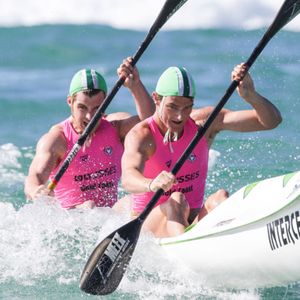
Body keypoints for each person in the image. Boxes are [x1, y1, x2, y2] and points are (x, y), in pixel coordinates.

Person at [121, 63, 282, 237]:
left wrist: (251, 96)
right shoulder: (142, 135)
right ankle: (188, 252)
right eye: (172, 106)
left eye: (186, 107)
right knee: (176, 199)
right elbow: (128, 178)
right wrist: (151, 184)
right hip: (148, 224)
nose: (180, 116)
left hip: (192, 220)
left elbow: (271, 122)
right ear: (156, 99)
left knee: (220, 198)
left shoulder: (203, 125)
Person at [24, 57, 154, 209]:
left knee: (135, 200)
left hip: (109, 216)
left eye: (96, 109)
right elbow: (35, 176)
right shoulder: (58, 139)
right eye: (82, 107)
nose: (89, 117)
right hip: (72, 218)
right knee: (89, 206)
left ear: (105, 103)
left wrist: (135, 86)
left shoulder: (116, 128)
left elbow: (151, 122)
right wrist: (36, 191)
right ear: (70, 102)